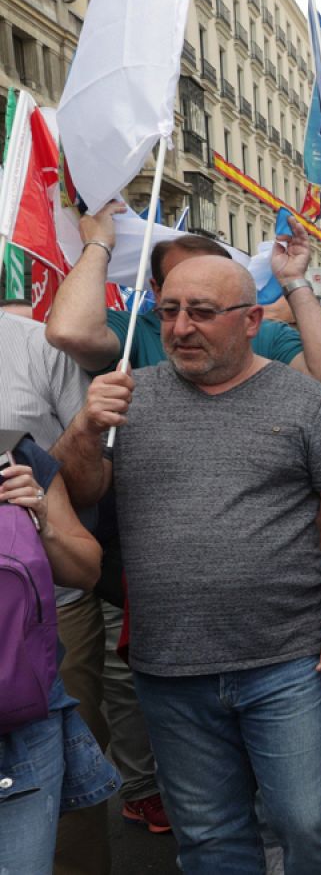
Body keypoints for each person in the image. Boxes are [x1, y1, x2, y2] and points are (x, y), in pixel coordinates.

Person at [51, 254, 321, 873]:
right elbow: (83, 490)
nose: (180, 328)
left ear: (251, 320)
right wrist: (86, 428)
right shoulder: (130, 395)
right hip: (169, 666)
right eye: (170, 311)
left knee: (309, 822)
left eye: (201, 312)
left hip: (286, 659)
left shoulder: (304, 400)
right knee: (207, 835)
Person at [0, 306, 124, 870]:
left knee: (59, 826)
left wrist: (39, 521)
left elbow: (85, 568)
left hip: (27, 660)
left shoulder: (14, 453)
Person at [46, 202, 321, 390]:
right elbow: (68, 332)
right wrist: (98, 244)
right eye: (174, 301)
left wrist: (292, 279)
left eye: (204, 306)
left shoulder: (268, 336)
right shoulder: (132, 334)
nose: (183, 328)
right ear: (157, 289)